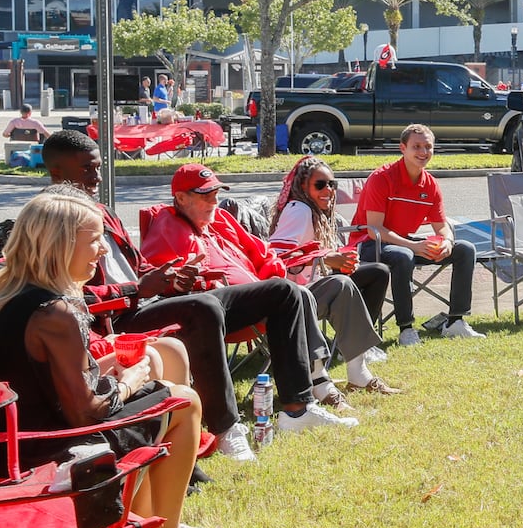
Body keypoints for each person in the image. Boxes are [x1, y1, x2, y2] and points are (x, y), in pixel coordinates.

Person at [42, 131, 331, 461]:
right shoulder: (51, 220)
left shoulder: (102, 211)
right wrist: (135, 289)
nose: (96, 177)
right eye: (86, 170)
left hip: (146, 301)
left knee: (283, 291)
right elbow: (59, 298)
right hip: (116, 321)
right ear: (57, 173)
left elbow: (138, 265)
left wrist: (172, 278)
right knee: (203, 305)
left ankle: (297, 407)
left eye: (98, 168)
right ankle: (225, 428)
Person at [0, 188, 216, 528]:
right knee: (183, 401)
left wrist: (104, 368)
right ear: (60, 246)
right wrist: (128, 382)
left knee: (157, 379)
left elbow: (34, 378)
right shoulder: (56, 311)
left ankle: (146, 517)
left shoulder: (6, 295)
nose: (102, 250)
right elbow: (85, 413)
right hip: (43, 452)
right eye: (96, 240)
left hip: (4, 444)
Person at [139, 163, 359, 433]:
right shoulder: (166, 224)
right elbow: (157, 274)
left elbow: (263, 253)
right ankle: (314, 389)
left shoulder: (220, 218)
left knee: (295, 292)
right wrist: (186, 277)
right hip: (210, 309)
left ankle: (301, 404)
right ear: (181, 198)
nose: (213, 201)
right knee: (289, 292)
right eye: (205, 195)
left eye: (216, 194)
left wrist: (268, 277)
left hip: (254, 299)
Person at [269, 156, 403, 396]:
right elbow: (276, 256)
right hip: (290, 299)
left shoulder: (314, 209)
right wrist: (327, 260)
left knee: (376, 272)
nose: (328, 190)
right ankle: (356, 372)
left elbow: (311, 254)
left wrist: (338, 261)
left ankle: (353, 355)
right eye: (319, 185)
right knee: (342, 284)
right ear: (302, 187)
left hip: (311, 283)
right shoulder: (299, 210)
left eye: (332, 184)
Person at [348, 124, 481, 345]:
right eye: (416, 146)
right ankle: (406, 330)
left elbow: (442, 226)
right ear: (403, 148)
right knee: (403, 255)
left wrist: (447, 240)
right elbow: (374, 229)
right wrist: (414, 246)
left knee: (465, 249)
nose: (423, 152)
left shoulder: (430, 184)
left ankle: (455, 322)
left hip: (401, 243)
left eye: (428, 147)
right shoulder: (382, 178)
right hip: (369, 243)